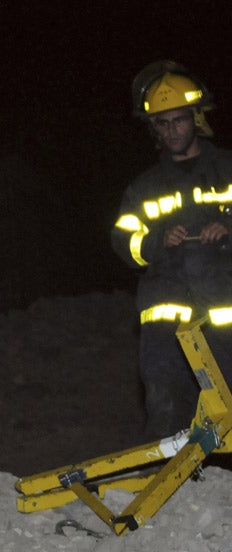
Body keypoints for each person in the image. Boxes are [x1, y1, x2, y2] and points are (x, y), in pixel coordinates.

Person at [112, 61, 232, 439]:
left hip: (224, 311)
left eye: (178, 120)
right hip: (166, 317)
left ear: (197, 118)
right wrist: (155, 242)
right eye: (161, 124)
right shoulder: (143, 188)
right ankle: (172, 491)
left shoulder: (228, 168)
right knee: (166, 405)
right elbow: (123, 242)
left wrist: (228, 229)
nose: (171, 130)